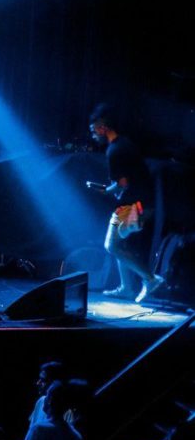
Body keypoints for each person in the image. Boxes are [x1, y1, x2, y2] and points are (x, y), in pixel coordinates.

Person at [88, 104, 165, 303]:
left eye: (94, 130)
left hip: (131, 207)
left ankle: (151, 279)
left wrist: (105, 190)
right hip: (143, 204)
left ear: (102, 128)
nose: (93, 135)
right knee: (120, 246)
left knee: (112, 245)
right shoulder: (126, 144)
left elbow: (122, 184)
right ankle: (127, 288)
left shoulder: (114, 151)